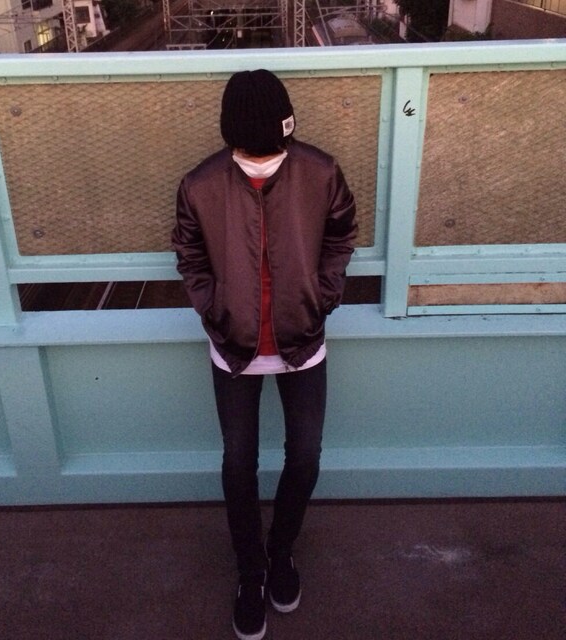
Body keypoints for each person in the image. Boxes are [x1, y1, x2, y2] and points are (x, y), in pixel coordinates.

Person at [172, 69, 357, 640]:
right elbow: (189, 254)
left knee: (305, 457)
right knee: (238, 463)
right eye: (259, 146)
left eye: (277, 143)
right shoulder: (201, 184)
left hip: (303, 339)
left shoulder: (320, 172)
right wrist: (215, 312)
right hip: (233, 346)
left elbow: (341, 234)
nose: (269, 155)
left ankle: (281, 551)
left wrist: (322, 298)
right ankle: (250, 572)